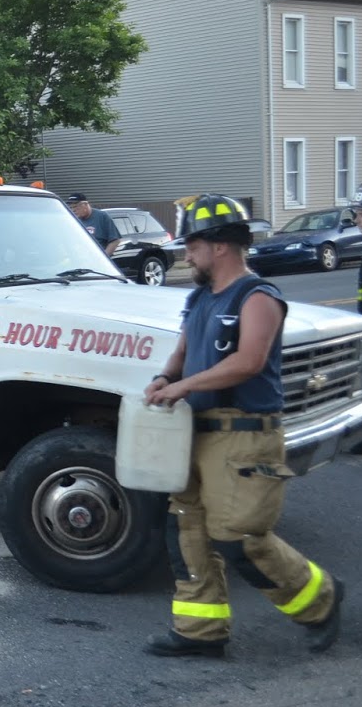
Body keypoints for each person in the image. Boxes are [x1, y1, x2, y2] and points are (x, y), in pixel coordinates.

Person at [141, 193, 342, 658]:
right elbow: (182, 353)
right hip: (196, 432)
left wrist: (182, 386)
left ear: (220, 247)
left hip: (245, 436)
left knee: (239, 540)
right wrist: (165, 378)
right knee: (187, 529)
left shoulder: (258, 297)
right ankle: (200, 632)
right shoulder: (198, 298)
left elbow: (248, 362)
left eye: (192, 245)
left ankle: (323, 602)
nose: (186, 254)